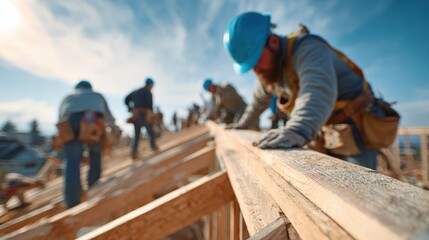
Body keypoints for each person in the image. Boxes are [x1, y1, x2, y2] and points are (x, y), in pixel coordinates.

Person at [223, 12, 391, 170]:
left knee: (358, 187)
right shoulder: (267, 73)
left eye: (256, 61)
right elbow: (256, 104)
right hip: (324, 125)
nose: (255, 69)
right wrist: (241, 125)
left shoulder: (308, 49)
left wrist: (296, 130)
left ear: (273, 42)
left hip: (355, 124)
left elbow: (317, 91)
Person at [58, 80, 115, 208]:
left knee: (72, 162)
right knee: (95, 156)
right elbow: (109, 118)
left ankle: (72, 201)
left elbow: (61, 116)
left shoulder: (68, 96)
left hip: (70, 123)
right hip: (93, 122)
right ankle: (94, 191)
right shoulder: (97, 96)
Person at [125, 78, 158, 159]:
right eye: (152, 85)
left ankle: (134, 152)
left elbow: (126, 99)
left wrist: (131, 108)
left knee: (136, 134)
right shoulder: (148, 92)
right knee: (150, 131)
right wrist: (151, 115)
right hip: (145, 114)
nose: (152, 87)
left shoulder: (136, 91)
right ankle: (153, 146)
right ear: (150, 84)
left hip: (136, 115)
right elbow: (149, 105)